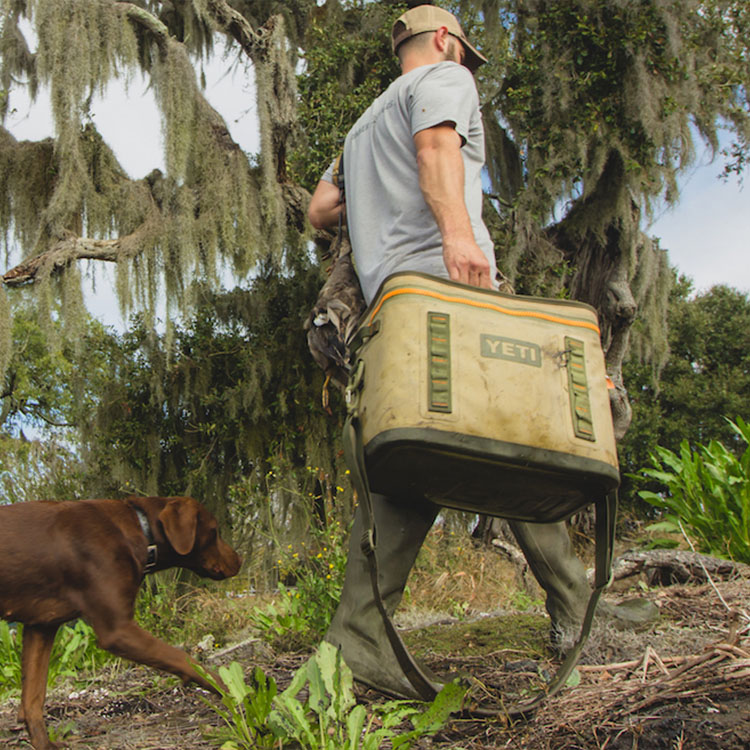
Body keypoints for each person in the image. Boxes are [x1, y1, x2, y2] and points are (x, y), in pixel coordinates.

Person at [307, 3, 593, 699]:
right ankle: (577, 614)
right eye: (465, 50)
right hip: (444, 293)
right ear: (444, 40)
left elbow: (319, 210)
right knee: (524, 437)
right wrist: (459, 236)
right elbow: (437, 150)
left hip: (391, 312)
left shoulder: (362, 125)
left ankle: (356, 649)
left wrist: (377, 197)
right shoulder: (445, 81)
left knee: (426, 459)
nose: (468, 63)